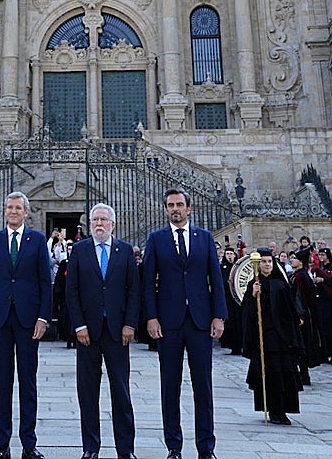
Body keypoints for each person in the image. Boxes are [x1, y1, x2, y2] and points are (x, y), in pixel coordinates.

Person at [143, 189, 227, 459]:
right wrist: (151, 317)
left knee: (203, 384)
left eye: (180, 205)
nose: (175, 209)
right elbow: (147, 284)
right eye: (171, 206)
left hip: (201, 321)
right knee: (170, 385)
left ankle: (206, 446)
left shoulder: (203, 238)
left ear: (189, 209)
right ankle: (174, 445)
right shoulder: (156, 240)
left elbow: (216, 279)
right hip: (168, 322)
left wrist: (219, 315)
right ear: (166, 209)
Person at [0, 191, 52, 459]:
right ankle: (2, 444)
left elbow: (46, 282)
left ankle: (29, 444)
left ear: (26, 211)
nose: (13, 211)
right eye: (9, 207)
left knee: (28, 382)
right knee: (2, 383)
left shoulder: (37, 240)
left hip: (28, 321)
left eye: (18, 208)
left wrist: (43, 318)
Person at [66, 203, 139, 459]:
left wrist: (130, 324)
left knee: (121, 391)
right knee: (87, 392)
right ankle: (90, 447)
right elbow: (71, 291)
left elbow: (134, 290)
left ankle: (125, 449)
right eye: (95, 220)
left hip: (118, 332)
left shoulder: (125, 251)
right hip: (88, 332)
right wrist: (79, 325)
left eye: (103, 220)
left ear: (113, 225)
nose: (99, 224)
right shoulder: (79, 250)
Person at [241, 248, 304, 425]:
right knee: (269, 374)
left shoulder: (280, 284)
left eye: (269, 262)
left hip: (282, 336)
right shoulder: (254, 284)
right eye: (263, 262)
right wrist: (253, 296)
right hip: (265, 336)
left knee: (284, 374)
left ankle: (282, 409)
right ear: (258, 265)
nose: (267, 265)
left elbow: (290, 309)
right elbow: (248, 313)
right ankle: (272, 409)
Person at [289, 248, 323, 384]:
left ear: (301, 262)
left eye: (295, 258)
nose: (292, 260)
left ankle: (304, 375)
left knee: (301, 345)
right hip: (302, 315)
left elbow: (299, 298)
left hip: (302, 316)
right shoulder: (297, 275)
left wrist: (300, 316)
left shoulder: (300, 277)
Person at [219, 247, 242, 355]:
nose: (229, 256)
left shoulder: (238, 267)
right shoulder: (222, 267)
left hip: (237, 301)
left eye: (231, 254)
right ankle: (233, 346)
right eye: (227, 253)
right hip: (228, 299)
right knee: (230, 323)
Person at [313, 247, 332, 363]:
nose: (321, 257)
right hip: (320, 299)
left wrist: (323, 280)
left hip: (329, 301)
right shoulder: (319, 267)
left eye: (323, 255)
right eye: (319, 255)